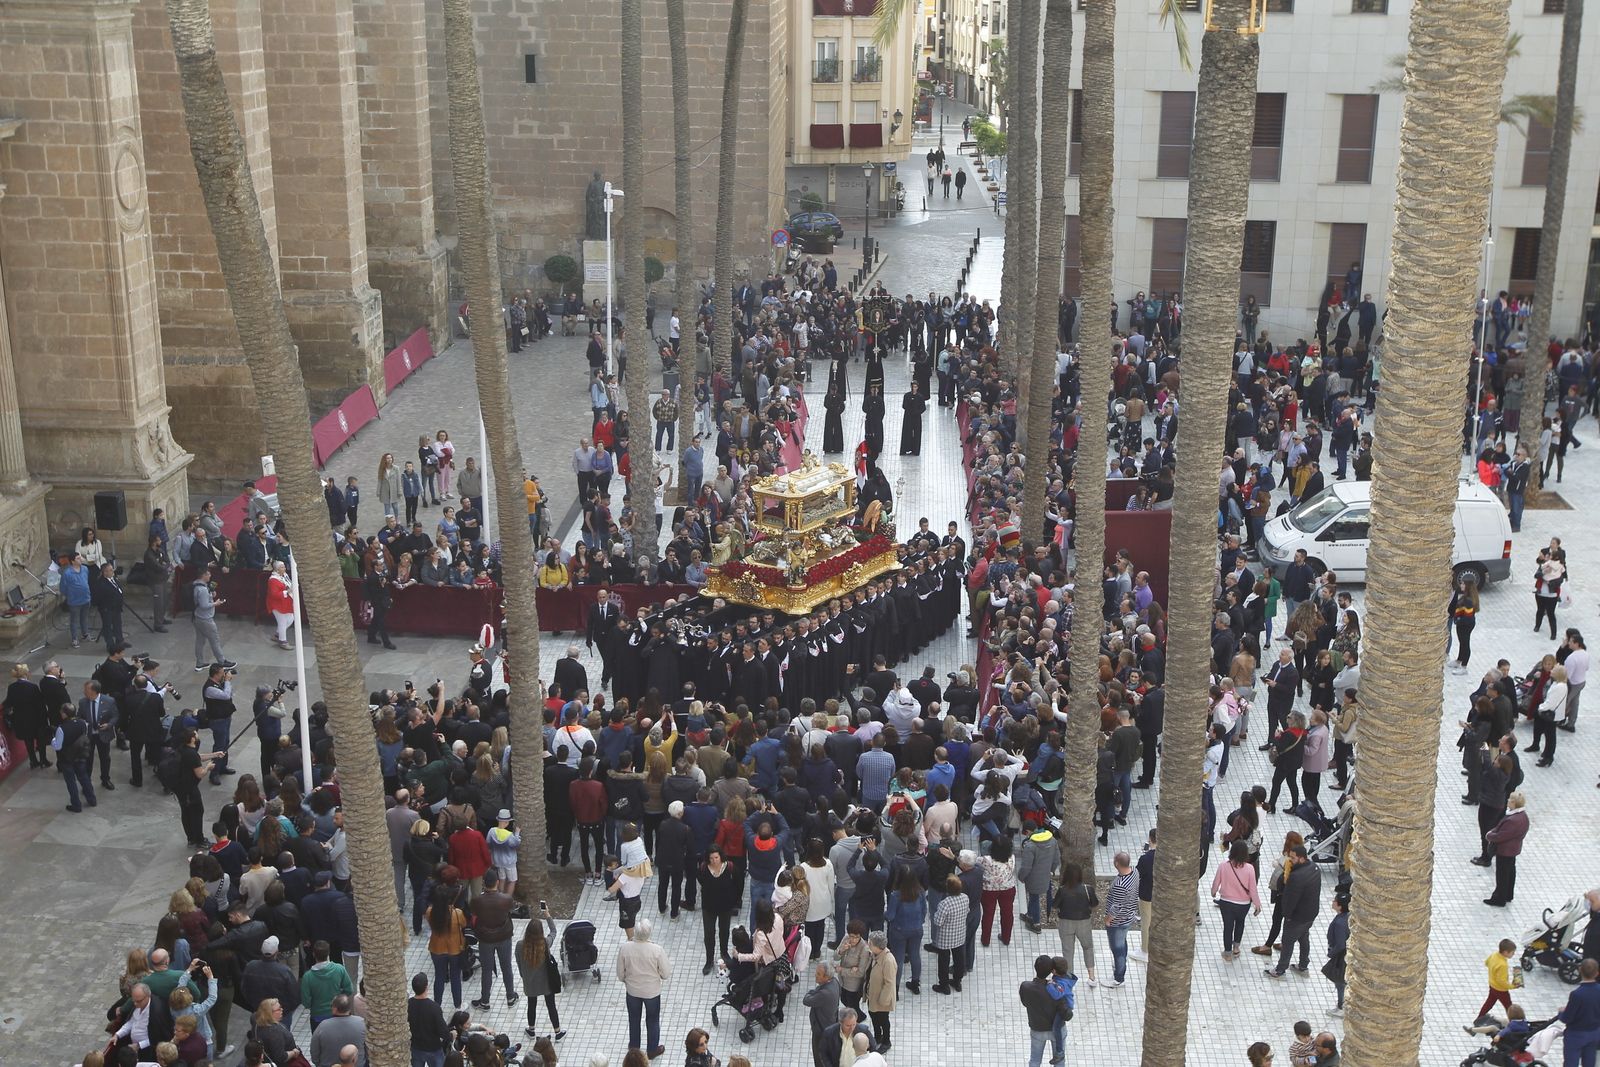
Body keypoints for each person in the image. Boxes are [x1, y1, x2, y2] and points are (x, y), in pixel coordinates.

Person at [615, 918, 671, 1058]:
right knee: (652, 1020)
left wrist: (627, 981)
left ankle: (634, 1048)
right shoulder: (657, 950)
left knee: (634, 1019)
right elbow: (665, 973)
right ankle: (652, 1050)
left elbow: (620, 973)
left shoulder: (625, 948)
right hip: (652, 992)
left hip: (632, 991)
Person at [1264, 845, 1320, 979]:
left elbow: (1290, 900)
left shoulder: (1296, 877)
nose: (1290, 860)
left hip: (1297, 917)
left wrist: (1287, 915)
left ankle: (1280, 969)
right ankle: (1303, 964)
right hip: (1310, 914)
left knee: (1287, 941)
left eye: (1293, 858)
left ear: (1301, 859)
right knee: (1304, 938)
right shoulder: (1314, 868)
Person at [516, 904, 567, 1041]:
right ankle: (557, 1032)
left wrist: (524, 976)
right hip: (546, 982)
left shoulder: (520, 945)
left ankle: (531, 1030)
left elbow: (519, 964)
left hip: (530, 983)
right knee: (551, 1006)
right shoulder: (544, 943)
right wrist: (548, 915)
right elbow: (554, 931)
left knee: (531, 1005)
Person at [1211, 840, 1261, 961]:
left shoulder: (1224, 865)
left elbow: (1216, 882)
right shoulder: (1249, 868)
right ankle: (1236, 947)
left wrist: (1213, 892)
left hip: (1226, 902)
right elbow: (1253, 889)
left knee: (1228, 927)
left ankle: (1227, 952)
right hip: (1243, 904)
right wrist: (1257, 904)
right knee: (1240, 923)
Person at [1482, 792, 1529, 907]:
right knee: (1510, 871)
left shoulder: (1513, 820)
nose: (1507, 800)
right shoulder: (1523, 816)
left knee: (1502, 875)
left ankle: (1499, 898)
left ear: (1513, 803)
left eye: (1509, 800)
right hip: (1513, 849)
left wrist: (1489, 835)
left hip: (1505, 851)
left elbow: (1501, 836)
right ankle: (1508, 894)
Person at [1019, 954, 1066, 1067]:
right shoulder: (1057, 989)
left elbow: (1025, 1003)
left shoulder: (1026, 987)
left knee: (1035, 1061)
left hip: (1037, 1028)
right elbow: (1065, 1010)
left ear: (1035, 967)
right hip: (1057, 1030)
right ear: (1051, 971)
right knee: (1059, 1061)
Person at [1103, 851, 1139, 988]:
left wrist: (1108, 919)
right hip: (1129, 916)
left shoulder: (1120, 884)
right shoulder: (1135, 871)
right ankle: (1121, 966)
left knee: (1117, 949)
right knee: (1122, 944)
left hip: (1118, 922)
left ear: (1117, 863)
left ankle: (1119, 978)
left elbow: (1116, 907)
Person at [1556, 959, 1600, 1067]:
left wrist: (1561, 1012)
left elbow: (1567, 1018)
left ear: (1580, 970)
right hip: (1594, 1033)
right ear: (1597, 973)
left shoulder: (1577, 994)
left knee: (1571, 1063)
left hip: (1576, 1035)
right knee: (1590, 1062)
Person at [307, 994, 366, 1067]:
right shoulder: (362, 1023)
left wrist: (318, 1064)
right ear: (349, 1008)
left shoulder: (323, 1026)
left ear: (335, 1009)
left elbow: (314, 1051)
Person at [863, 930, 896, 1053]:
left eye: (870, 943)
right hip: (873, 995)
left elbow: (889, 983)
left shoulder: (888, 961)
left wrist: (883, 1001)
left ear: (877, 946)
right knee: (874, 1016)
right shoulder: (874, 955)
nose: (868, 945)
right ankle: (877, 1036)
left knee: (883, 1020)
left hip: (882, 999)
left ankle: (886, 1041)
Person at [804, 962, 842, 1067]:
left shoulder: (824, 994)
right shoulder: (834, 982)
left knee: (819, 1057)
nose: (815, 975)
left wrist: (812, 991)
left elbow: (806, 1000)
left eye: (818, 974)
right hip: (830, 1024)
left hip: (821, 1030)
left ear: (826, 977)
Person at [409, 972, 450, 1067]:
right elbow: (442, 1030)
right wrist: (450, 1036)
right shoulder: (434, 1007)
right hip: (433, 1049)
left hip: (415, 1047)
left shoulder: (408, 1004)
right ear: (426, 987)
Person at [1324, 892, 1349, 1016]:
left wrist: (1331, 954)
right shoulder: (1347, 917)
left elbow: (1340, 944)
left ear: (1339, 906)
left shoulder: (1339, 923)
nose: (1332, 902)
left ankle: (1341, 1006)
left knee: (1340, 982)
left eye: (1335, 901)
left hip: (1341, 957)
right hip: (1345, 954)